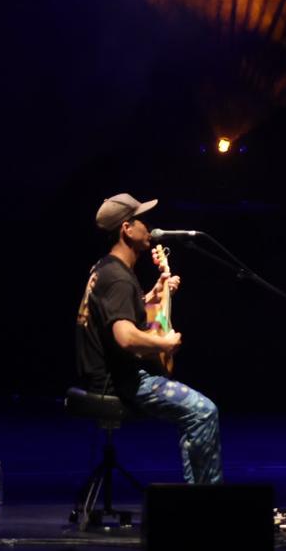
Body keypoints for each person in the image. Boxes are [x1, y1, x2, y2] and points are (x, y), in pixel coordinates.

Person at [75, 192, 223, 485]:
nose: (149, 227)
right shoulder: (118, 278)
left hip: (104, 374)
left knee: (197, 415)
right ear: (126, 229)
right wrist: (165, 344)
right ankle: (209, 506)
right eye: (142, 220)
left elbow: (114, 314)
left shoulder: (105, 269)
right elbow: (125, 337)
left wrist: (150, 297)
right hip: (123, 380)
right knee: (204, 412)